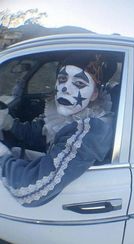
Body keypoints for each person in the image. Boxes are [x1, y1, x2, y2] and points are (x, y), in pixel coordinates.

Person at [0, 55, 114, 207]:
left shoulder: (91, 131)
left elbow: (29, 191)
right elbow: (39, 134)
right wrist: (9, 124)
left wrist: (2, 156)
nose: (66, 88)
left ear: (94, 95)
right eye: (62, 79)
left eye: (79, 83)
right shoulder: (65, 113)